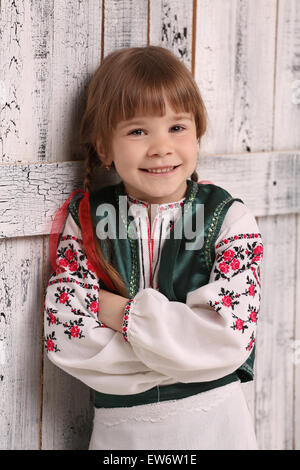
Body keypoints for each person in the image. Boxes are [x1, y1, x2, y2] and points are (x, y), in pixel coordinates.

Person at [44, 45, 263, 450]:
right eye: (138, 131)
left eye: (177, 127)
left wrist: (118, 312)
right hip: (122, 433)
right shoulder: (88, 220)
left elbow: (229, 338)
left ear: (197, 131)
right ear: (104, 147)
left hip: (215, 424)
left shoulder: (229, 220)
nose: (161, 147)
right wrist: (185, 352)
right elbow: (66, 337)